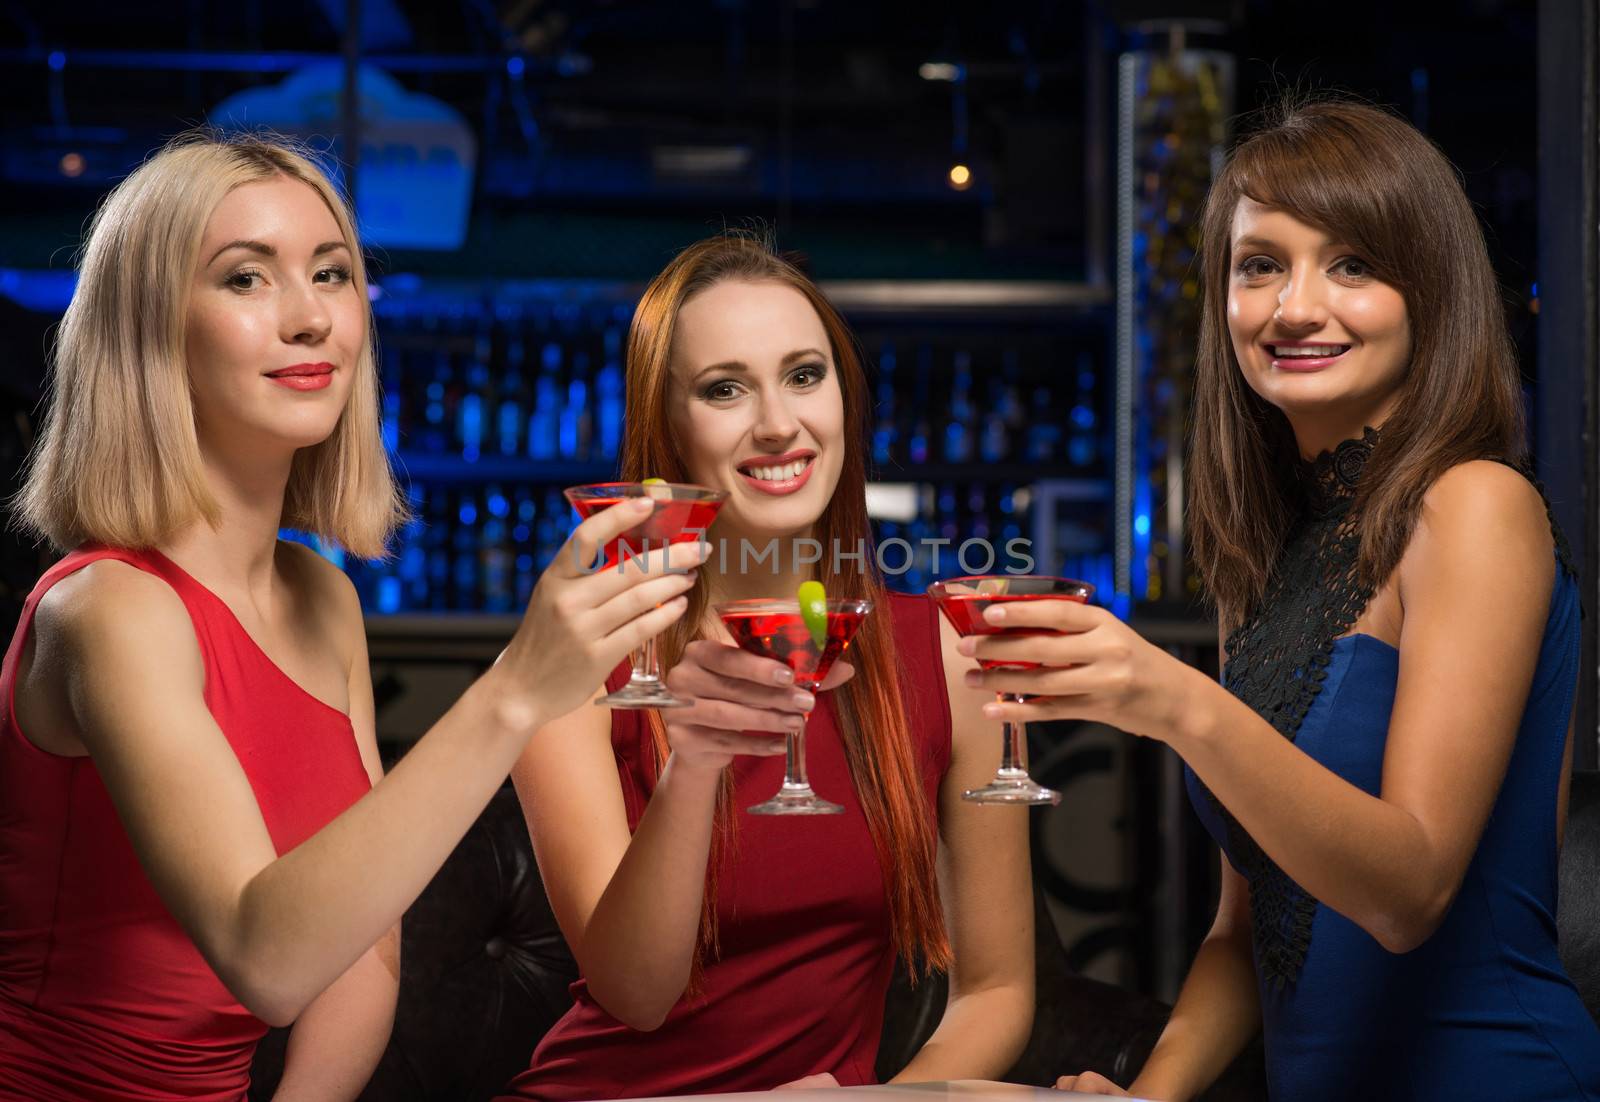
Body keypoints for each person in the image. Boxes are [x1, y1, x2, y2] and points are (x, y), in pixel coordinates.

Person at [0, 132, 698, 1100]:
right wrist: (513, 694)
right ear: (149, 328)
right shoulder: (109, 609)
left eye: (331, 275)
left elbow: (364, 945)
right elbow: (267, 954)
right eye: (246, 280)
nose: (309, 318)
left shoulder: (321, 595)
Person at [966, 100, 1600, 1100]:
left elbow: (1408, 889)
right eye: (1260, 265)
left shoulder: (1477, 508)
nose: (1294, 307)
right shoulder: (1264, 558)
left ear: (1429, 293)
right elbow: (1245, 927)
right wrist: (1148, 1095)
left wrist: (1175, 701)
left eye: (1352, 264)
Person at [498, 234, 1035, 1099]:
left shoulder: (943, 650)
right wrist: (696, 766)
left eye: (804, 375)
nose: (779, 422)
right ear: (667, 426)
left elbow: (998, 990)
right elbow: (635, 995)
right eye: (724, 389)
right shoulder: (582, 660)